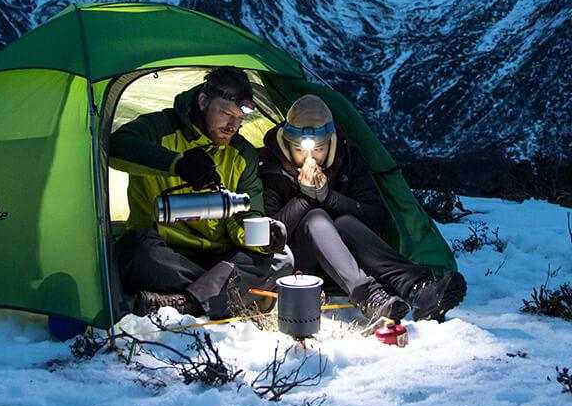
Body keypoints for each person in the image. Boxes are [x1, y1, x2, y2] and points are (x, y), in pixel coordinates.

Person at [258, 94, 466, 322]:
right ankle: (369, 296)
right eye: (299, 149)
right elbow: (269, 233)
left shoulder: (348, 157)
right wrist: (305, 198)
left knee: (345, 222)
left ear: (330, 142)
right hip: (299, 267)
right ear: (288, 143)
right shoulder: (271, 165)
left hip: (350, 260)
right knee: (316, 217)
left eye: (318, 149)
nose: (309, 157)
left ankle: (418, 289)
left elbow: (375, 214)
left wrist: (328, 197)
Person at [109, 67, 293, 318]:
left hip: (219, 258)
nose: (233, 126)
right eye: (226, 114)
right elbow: (117, 147)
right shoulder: (161, 128)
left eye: (240, 119)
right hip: (165, 253)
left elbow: (247, 218)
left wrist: (265, 237)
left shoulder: (242, 154)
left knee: (282, 258)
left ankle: (184, 302)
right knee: (134, 251)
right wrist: (178, 163)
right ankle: (227, 296)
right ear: (203, 101)